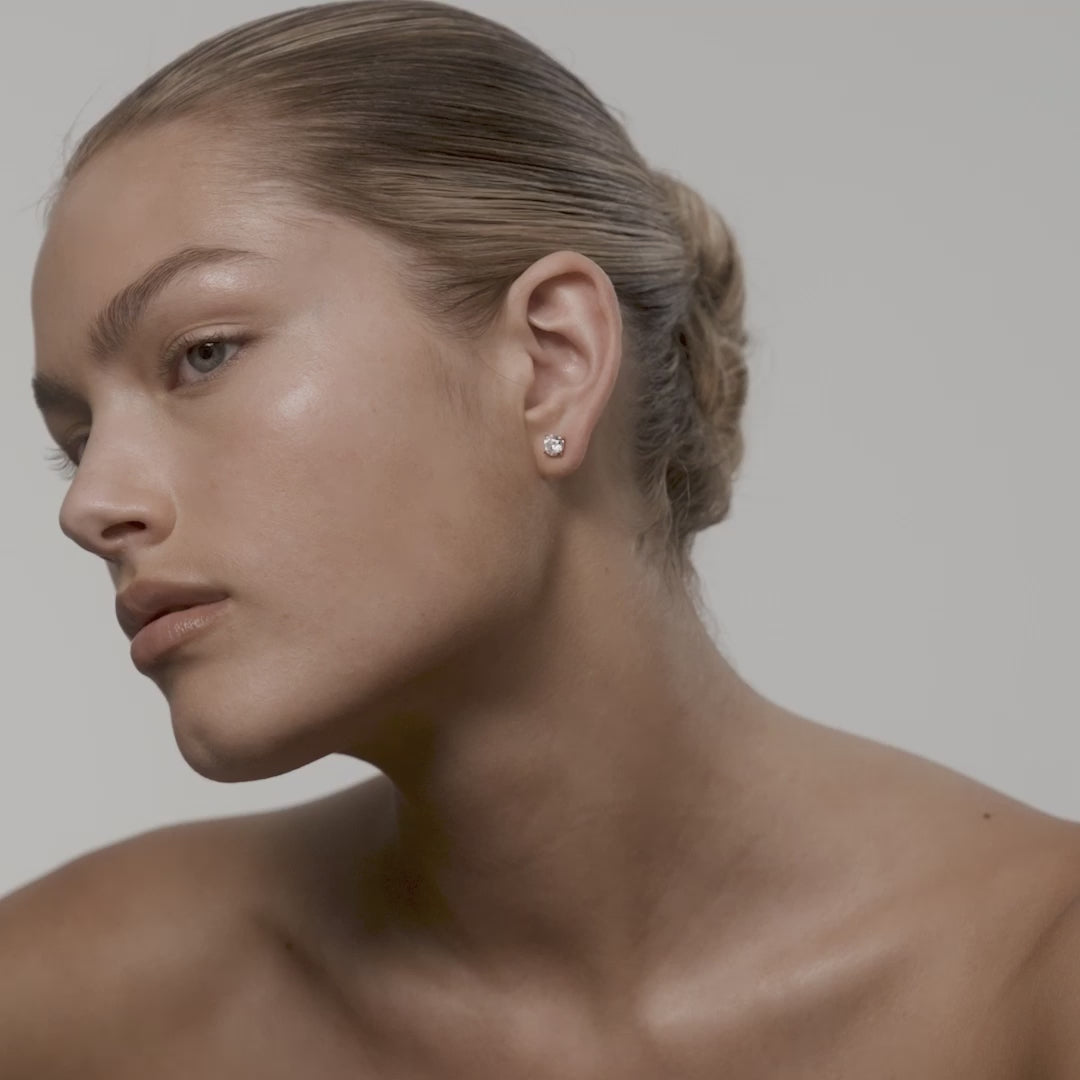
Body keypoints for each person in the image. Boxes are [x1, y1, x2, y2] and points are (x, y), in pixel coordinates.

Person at [3, 1, 1078, 1075]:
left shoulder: (1033, 985)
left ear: (551, 359)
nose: (91, 504)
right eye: (76, 434)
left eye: (202, 353)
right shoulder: (64, 1005)